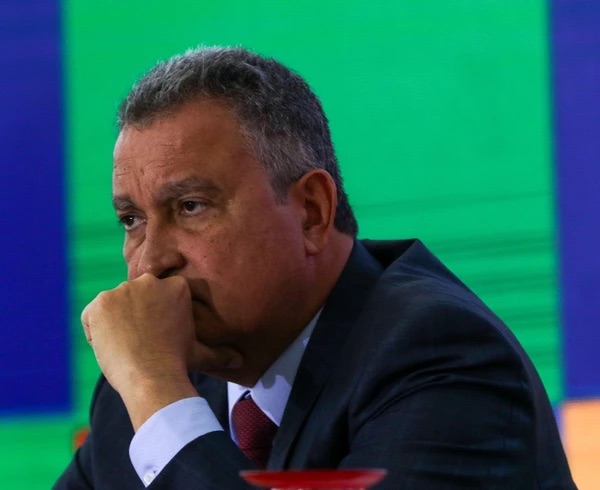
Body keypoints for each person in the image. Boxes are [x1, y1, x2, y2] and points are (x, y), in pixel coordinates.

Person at [54, 46, 576, 489]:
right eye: (132, 219)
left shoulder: (440, 355)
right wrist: (153, 388)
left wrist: (160, 399)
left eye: (191, 206)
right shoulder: (147, 384)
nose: (150, 262)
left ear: (310, 211)